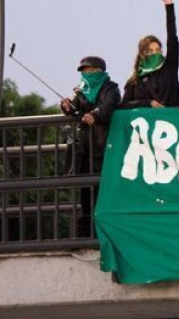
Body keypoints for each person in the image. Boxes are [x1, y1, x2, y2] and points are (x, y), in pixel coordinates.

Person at [59, 55, 121, 237]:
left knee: (104, 192)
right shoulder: (81, 90)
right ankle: (86, 235)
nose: (86, 74)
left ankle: (105, 233)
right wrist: (66, 106)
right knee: (86, 193)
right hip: (84, 150)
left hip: (105, 149)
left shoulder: (111, 88)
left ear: (99, 71)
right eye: (84, 71)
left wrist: (95, 114)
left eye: (89, 70)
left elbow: (110, 105)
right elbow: (73, 105)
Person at [121, 0, 179, 109]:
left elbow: (172, 39)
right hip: (146, 125)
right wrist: (148, 103)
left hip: (170, 122)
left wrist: (169, 7)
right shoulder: (135, 79)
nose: (155, 53)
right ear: (142, 54)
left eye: (158, 50)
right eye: (150, 51)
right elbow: (124, 105)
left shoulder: (169, 67)